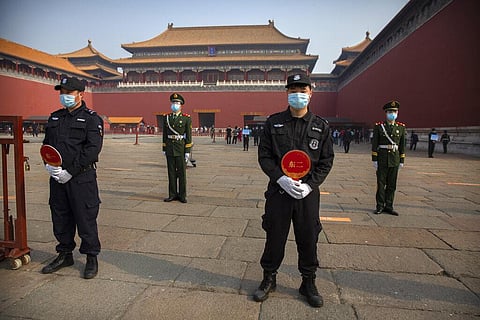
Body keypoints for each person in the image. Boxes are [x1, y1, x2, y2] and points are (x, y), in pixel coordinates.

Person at [255, 73, 334, 308]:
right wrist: (280, 179)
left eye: (302, 89)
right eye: (292, 90)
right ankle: (269, 278)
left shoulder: (321, 126)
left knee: (308, 237)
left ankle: (308, 281)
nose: (297, 94)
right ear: (287, 93)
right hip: (279, 192)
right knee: (275, 235)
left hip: (307, 194)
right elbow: (265, 156)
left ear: (311, 92)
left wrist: (310, 185)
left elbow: (327, 160)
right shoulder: (274, 122)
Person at [41, 76, 104, 279]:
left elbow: (92, 150)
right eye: (62, 93)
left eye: (68, 93)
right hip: (58, 178)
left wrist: (70, 171)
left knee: (85, 219)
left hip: (81, 179)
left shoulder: (91, 119)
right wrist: (50, 167)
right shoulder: (55, 118)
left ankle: (91, 257)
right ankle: (64, 254)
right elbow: (46, 146)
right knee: (60, 216)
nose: (64, 96)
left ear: (80, 95)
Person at [371, 100, 406, 216]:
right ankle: (380, 206)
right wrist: (374, 159)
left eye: (394, 111)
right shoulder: (379, 127)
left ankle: (389, 206)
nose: (393, 114)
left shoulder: (401, 128)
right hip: (382, 158)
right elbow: (375, 144)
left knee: (392, 184)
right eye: (390, 111)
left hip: (394, 159)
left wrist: (401, 160)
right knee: (381, 184)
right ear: (386, 113)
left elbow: (402, 145)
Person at [163, 93, 192, 203]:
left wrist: (187, 151)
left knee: (181, 173)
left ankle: (182, 195)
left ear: (181, 105)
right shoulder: (166, 118)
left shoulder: (186, 119)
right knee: (171, 172)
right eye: (173, 103)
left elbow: (188, 136)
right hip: (170, 147)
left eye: (177, 103)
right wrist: (164, 148)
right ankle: (172, 194)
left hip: (180, 148)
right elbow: (165, 135)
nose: (175, 105)